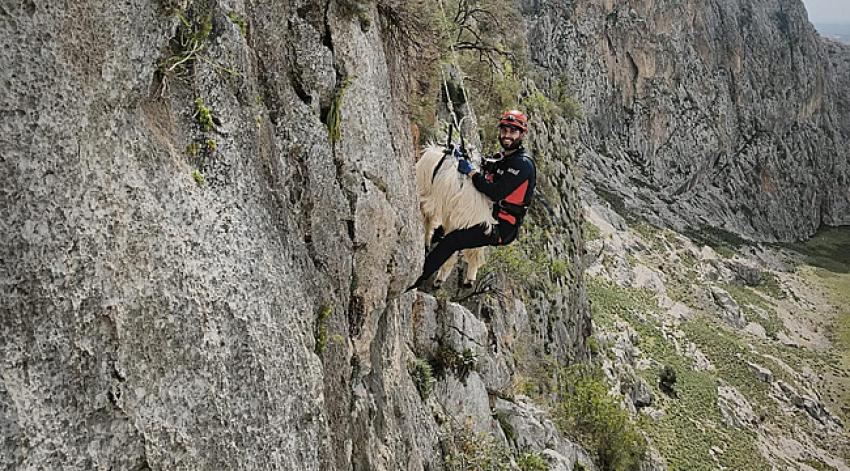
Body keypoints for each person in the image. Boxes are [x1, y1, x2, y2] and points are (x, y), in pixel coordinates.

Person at [412, 109, 537, 289]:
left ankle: (417, 278)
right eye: (505, 130)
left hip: (501, 227)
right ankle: (424, 262)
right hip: (488, 214)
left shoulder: (522, 165)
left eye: (513, 131)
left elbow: (495, 192)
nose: (507, 135)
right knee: (440, 231)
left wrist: (471, 172)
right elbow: (488, 167)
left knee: (452, 240)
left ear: (522, 134)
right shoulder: (505, 158)